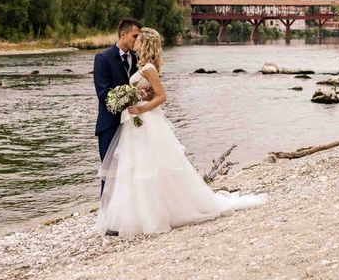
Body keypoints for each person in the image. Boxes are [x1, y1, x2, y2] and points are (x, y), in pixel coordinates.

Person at [96, 27, 267, 237]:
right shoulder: (142, 66)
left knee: (148, 166)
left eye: (139, 40)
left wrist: (140, 107)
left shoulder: (148, 68)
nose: (136, 43)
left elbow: (162, 97)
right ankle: (134, 216)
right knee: (136, 166)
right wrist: (135, 96)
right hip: (137, 122)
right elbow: (150, 94)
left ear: (145, 44)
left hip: (146, 120)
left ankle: (154, 215)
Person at [93, 18, 143, 195]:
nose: (138, 40)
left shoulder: (138, 59)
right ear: (123, 34)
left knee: (132, 169)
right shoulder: (103, 59)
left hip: (132, 124)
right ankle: (106, 215)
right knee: (109, 172)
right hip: (109, 124)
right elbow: (103, 93)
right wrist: (129, 97)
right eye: (135, 36)